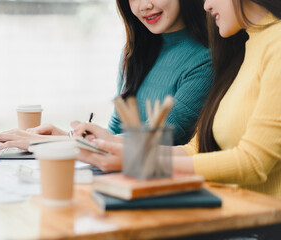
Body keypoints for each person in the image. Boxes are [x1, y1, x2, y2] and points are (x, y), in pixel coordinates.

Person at [75, 0, 281, 200]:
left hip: (259, 224)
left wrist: (138, 159)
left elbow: (253, 163)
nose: (206, 5)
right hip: (234, 211)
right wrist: (103, 143)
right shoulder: (244, 45)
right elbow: (197, 148)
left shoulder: (273, 44)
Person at [0, 0, 213, 153]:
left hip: (159, 188)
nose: (145, 5)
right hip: (121, 176)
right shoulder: (136, 53)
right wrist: (67, 135)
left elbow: (159, 137)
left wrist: (59, 143)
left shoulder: (206, 59)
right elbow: (114, 132)